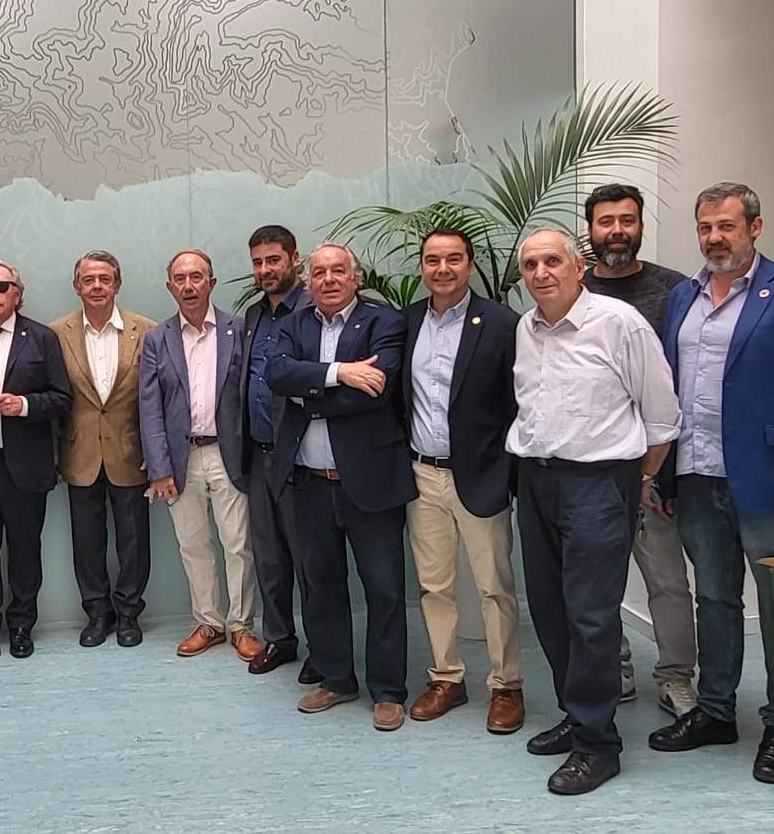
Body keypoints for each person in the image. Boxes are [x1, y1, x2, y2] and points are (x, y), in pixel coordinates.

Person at [645, 182, 774, 785]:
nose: (714, 238)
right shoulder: (682, 297)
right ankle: (714, 710)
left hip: (769, 479)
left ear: (755, 228)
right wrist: (657, 471)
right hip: (696, 474)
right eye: (706, 227)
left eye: (727, 227)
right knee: (714, 598)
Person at [506, 228, 680, 796]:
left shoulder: (619, 324)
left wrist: (641, 480)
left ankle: (599, 745)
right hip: (536, 481)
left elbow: (661, 417)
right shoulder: (525, 329)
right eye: (530, 264)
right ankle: (576, 714)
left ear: (579, 267)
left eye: (552, 261)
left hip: (598, 484)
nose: (540, 273)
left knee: (591, 616)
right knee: (550, 610)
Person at [267, 243, 417, 733]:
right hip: (309, 483)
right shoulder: (294, 323)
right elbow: (275, 373)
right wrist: (339, 373)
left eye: (339, 271)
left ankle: (388, 691)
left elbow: (380, 391)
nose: (329, 279)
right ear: (307, 280)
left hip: (370, 482)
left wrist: (310, 393)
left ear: (356, 278)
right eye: (319, 273)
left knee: (385, 590)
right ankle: (336, 678)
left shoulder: (385, 322)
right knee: (321, 587)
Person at [579, 183, 700, 716]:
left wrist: (660, 473)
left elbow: (681, 385)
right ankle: (616, 665)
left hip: (651, 469)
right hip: (589, 471)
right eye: (606, 222)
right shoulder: (570, 289)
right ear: (590, 230)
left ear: (641, 225)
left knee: (668, 583)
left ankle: (676, 677)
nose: (617, 232)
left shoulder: (674, 291)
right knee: (595, 585)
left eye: (627, 220)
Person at [400, 227, 527, 734]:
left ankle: (507, 686)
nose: (443, 269)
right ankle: (447, 677)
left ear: (470, 265)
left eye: (454, 259)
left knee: (495, 588)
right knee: (435, 587)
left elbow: (520, 403)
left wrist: (508, 473)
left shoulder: (501, 323)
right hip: (421, 475)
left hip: (480, 476)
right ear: (422, 267)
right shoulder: (407, 322)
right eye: (433, 260)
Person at [139, 250, 259, 660]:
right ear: (170, 286)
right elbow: (149, 407)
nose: (188, 285)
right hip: (181, 459)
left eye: (197, 277)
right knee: (192, 545)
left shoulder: (238, 330)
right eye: (180, 278)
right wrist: (158, 467)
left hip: (229, 454)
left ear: (211, 282)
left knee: (238, 544)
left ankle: (241, 625)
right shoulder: (157, 339)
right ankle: (208, 622)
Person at [0, 259, 74, 660]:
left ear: (17, 294)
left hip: (23, 465)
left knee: (25, 551)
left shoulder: (41, 338)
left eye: (2, 287)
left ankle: (22, 626)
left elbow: (62, 398)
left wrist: (23, 405)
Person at [49, 250, 156, 648]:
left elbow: (156, 398)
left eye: (105, 279)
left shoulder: (146, 331)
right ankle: (97, 613)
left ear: (117, 284)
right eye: (89, 279)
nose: (97, 286)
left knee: (134, 541)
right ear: (77, 286)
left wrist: (156, 452)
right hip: (79, 455)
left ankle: (128, 614)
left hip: (131, 453)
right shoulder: (56, 333)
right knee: (87, 542)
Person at [234, 225, 316, 681]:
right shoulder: (253, 316)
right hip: (259, 455)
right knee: (269, 558)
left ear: (293, 259)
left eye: (273, 260)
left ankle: (323, 648)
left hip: (299, 455)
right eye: (258, 262)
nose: (265, 270)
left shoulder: (311, 310)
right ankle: (280, 639)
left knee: (308, 558)